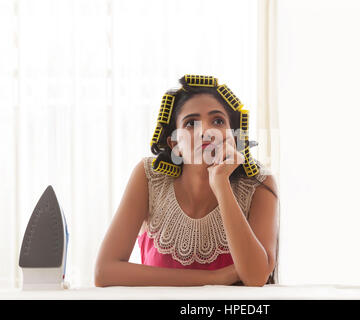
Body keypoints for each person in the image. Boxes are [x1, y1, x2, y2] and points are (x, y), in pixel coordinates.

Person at [94, 75, 279, 287]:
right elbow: (104, 272)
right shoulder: (148, 177)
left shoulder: (260, 183)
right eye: (191, 123)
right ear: (175, 144)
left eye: (217, 121)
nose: (206, 132)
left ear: (234, 135)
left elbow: (255, 277)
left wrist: (221, 184)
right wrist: (213, 279)